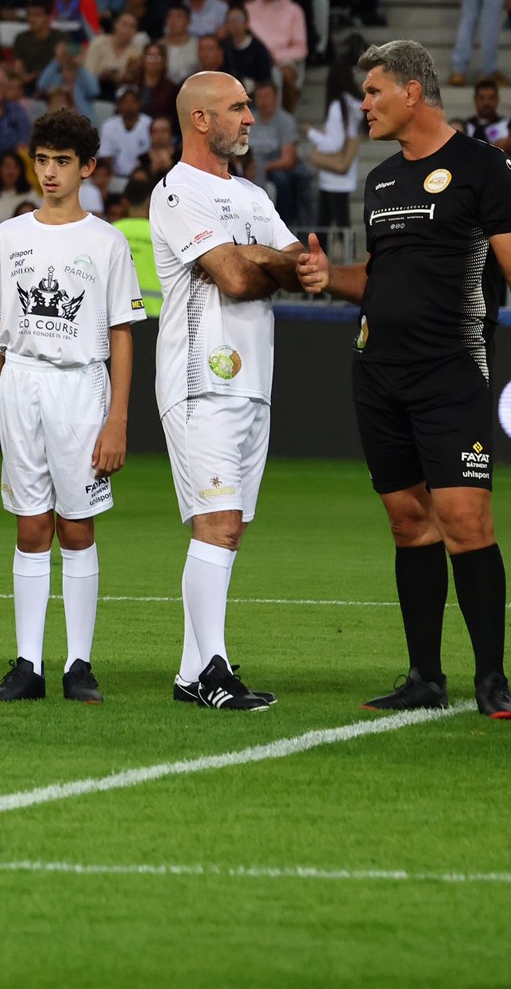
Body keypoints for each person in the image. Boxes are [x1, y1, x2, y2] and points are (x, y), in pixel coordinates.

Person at [296, 41, 511, 719]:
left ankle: (492, 679)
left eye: (373, 93)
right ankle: (424, 678)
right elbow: (378, 279)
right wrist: (331, 279)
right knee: (407, 522)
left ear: (412, 93)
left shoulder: (484, 168)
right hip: (377, 372)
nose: (363, 106)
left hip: (451, 373)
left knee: (466, 520)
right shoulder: (380, 180)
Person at [0, 111, 141, 704]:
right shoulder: (9, 236)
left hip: (81, 386)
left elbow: (121, 335)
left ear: (87, 167)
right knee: (31, 524)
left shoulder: (107, 240)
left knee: (77, 526)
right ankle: (28, 666)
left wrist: (116, 419)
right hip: (22, 384)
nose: (50, 172)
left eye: (63, 161)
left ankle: (79, 665)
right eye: (42, 160)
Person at [148, 72, 311, 710]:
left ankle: (194, 672)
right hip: (200, 381)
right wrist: (269, 261)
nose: (250, 118)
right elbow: (239, 278)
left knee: (230, 529)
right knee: (215, 523)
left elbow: (301, 266)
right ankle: (213, 670)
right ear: (200, 120)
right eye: (237, 109)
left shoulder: (251, 193)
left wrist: (269, 261)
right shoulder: (176, 191)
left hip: (254, 382)